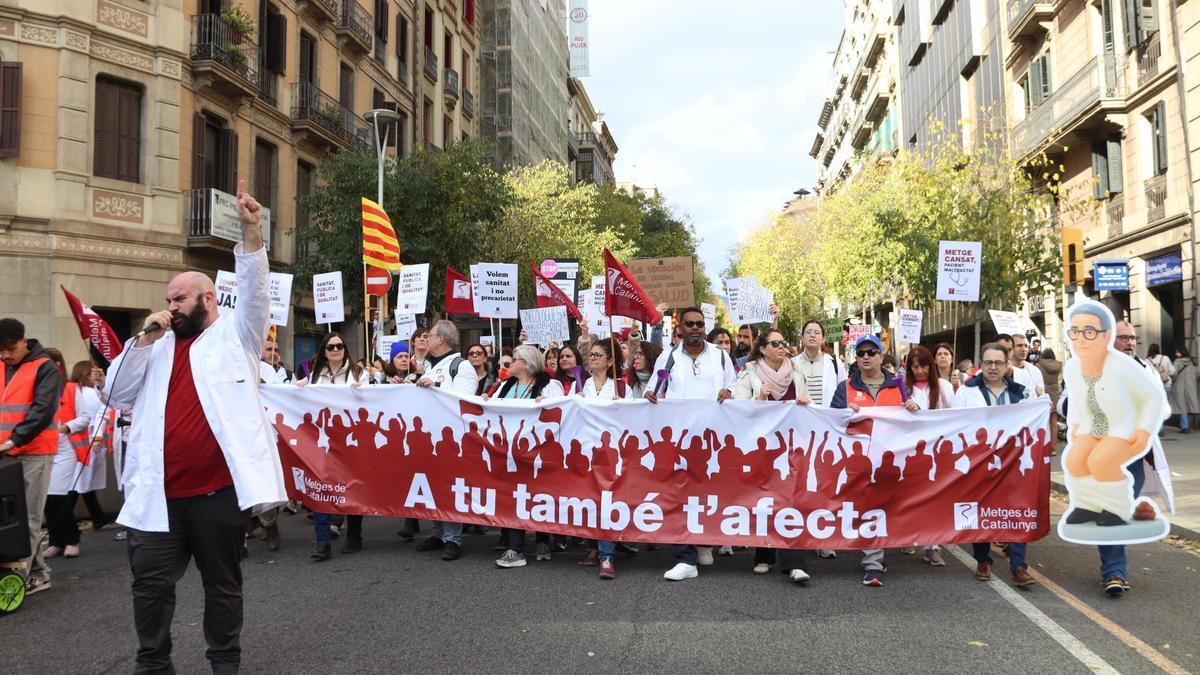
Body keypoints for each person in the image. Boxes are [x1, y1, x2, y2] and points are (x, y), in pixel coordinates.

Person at [102, 181, 286, 674]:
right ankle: (153, 664)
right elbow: (116, 394)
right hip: (157, 498)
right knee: (150, 588)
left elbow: (254, 292)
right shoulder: (154, 347)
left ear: (207, 298)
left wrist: (251, 235)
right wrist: (140, 340)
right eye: (167, 299)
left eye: (179, 298)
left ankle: (224, 663)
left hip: (216, 497)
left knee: (222, 586)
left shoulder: (237, 335)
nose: (171, 306)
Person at [646, 307, 737, 581]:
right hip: (680, 442)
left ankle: (704, 541)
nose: (695, 328)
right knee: (678, 496)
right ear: (681, 329)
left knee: (709, 493)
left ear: (705, 327)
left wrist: (729, 391)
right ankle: (685, 558)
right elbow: (656, 389)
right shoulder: (669, 357)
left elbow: (735, 388)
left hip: (713, 441)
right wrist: (652, 394)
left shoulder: (721, 357)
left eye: (699, 324)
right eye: (690, 324)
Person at [1087, 321, 1174, 594]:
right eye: (1123, 337)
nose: (1129, 342)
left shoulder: (1146, 369)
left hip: (1134, 457)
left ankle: (1114, 570)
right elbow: (1067, 404)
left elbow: (1164, 408)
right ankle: (1114, 573)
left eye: (1132, 337)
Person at [951, 342, 1036, 588]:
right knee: (982, 512)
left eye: (998, 362)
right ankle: (982, 560)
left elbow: (1032, 424)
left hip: (1013, 463)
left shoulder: (1022, 393)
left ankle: (1019, 565)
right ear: (981, 365)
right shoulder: (966, 392)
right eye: (988, 362)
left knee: (1017, 512)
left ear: (1007, 365)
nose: (993, 367)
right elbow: (956, 425)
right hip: (980, 463)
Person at [734, 328, 813, 585]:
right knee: (764, 499)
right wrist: (759, 398)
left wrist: (805, 403)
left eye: (783, 342)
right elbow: (739, 407)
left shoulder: (796, 371)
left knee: (790, 500)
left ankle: (794, 563)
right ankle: (764, 554)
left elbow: (809, 406)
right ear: (763, 348)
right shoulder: (750, 372)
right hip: (762, 448)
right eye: (775, 343)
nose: (781, 346)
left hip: (791, 447)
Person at [830, 335, 903, 587]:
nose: (866, 357)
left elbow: (912, 418)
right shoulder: (845, 387)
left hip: (893, 460)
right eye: (860, 353)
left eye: (871, 352)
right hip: (860, 461)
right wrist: (843, 413)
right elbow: (832, 421)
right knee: (869, 507)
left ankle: (902, 545)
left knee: (893, 507)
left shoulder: (900, 385)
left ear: (881, 357)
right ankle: (873, 563)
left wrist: (913, 408)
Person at [485, 344, 565, 569]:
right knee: (514, 497)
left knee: (539, 496)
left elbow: (561, 411)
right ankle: (516, 548)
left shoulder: (549, 385)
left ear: (527, 364)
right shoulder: (504, 385)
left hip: (538, 452)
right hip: (510, 451)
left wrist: (547, 404)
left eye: (515, 359)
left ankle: (542, 539)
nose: (509, 363)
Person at [0, 318, 64, 596]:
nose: (5, 355)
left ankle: (19, 578)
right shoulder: (2, 364)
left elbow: (43, 409)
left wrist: (15, 439)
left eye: (10, 349)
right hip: (6, 451)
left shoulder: (45, 367)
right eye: (0, 350)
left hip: (34, 451)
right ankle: (39, 573)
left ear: (25, 341)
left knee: (28, 517)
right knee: (12, 518)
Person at [298, 332, 368, 560]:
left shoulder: (360, 374)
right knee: (320, 488)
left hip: (350, 441)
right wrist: (298, 387)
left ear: (345, 348)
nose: (335, 350)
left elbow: (372, 405)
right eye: (330, 347)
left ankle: (354, 536)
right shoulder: (314, 376)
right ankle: (322, 542)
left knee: (352, 487)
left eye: (339, 346)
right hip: (321, 441)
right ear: (324, 351)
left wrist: (363, 392)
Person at [414, 320, 479, 561]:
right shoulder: (430, 365)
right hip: (430, 438)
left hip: (452, 440)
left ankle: (453, 538)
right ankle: (438, 532)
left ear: (440, 339)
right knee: (434, 486)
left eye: (429, 335)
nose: (426, 339)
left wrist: (437, 385)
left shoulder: (461, 366)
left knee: (451, 487)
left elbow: (465, 399)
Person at [577, 340, 632, 580]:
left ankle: (606, 556)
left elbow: (631, 421)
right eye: (591, 355)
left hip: (611, 456)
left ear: (610, 361)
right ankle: (593, 546)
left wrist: (623, 407)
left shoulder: (621, 388)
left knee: (606, 502)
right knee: (590, 501)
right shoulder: (580, 386)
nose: (593, 358)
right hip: (585, 453)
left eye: (598, 355)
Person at [897, 346, 951, 566]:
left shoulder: (944, 387)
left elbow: (956, 415)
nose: (920, 371)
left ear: (931, 366)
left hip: (936, 451)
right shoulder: (903, 388)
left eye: (924, 366)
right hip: (910, 452)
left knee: (934, 498)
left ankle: (932, 545)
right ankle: (907, 535)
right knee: (908, 496)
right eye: (915, 366)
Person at [43, 360, 101, 559]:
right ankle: (55, 540)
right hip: (39, 448)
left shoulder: (71, 389)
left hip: (64, 448)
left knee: (58, 496)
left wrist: (65, 428)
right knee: (45, 499)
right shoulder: (33, 388)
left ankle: (70, 539)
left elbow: (85, 417)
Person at [1037, 348, 1063, 452]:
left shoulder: (1039, 365)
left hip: (1044, 394)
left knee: (1043, 422)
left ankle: (1044, 446)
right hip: (1055, 394)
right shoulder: (1058, 366)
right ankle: (1053, 448)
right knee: (1054, 423)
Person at [1008, 334, 1046, 398]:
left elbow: (1041, 396)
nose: (1024, 349)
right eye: (1019, 346)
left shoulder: (1034, 370)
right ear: (1010, 348)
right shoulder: (1004, 370)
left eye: (1026, 346)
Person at [1170, 347, 1198, 434]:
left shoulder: (1177, 362)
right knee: (1192, 406)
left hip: (1180, 387)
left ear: (1181, 353)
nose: (1176, 354)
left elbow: (1173, 373)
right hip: (1191, 387)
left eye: (1177, 352)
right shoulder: (1192, 362)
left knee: (1182, 407)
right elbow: (1197, 374)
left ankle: (1185, 427)